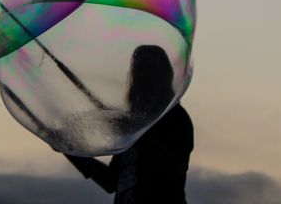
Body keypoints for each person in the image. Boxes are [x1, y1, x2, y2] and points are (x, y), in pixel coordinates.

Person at [65, 45, 193, 203]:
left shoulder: (175, 117)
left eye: (150, 68)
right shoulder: (132, 125)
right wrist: (69, 150)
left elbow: (174, 169)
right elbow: (111, 181)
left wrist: (135, 133)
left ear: (163, 76)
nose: (144, 75)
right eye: (139, 69)